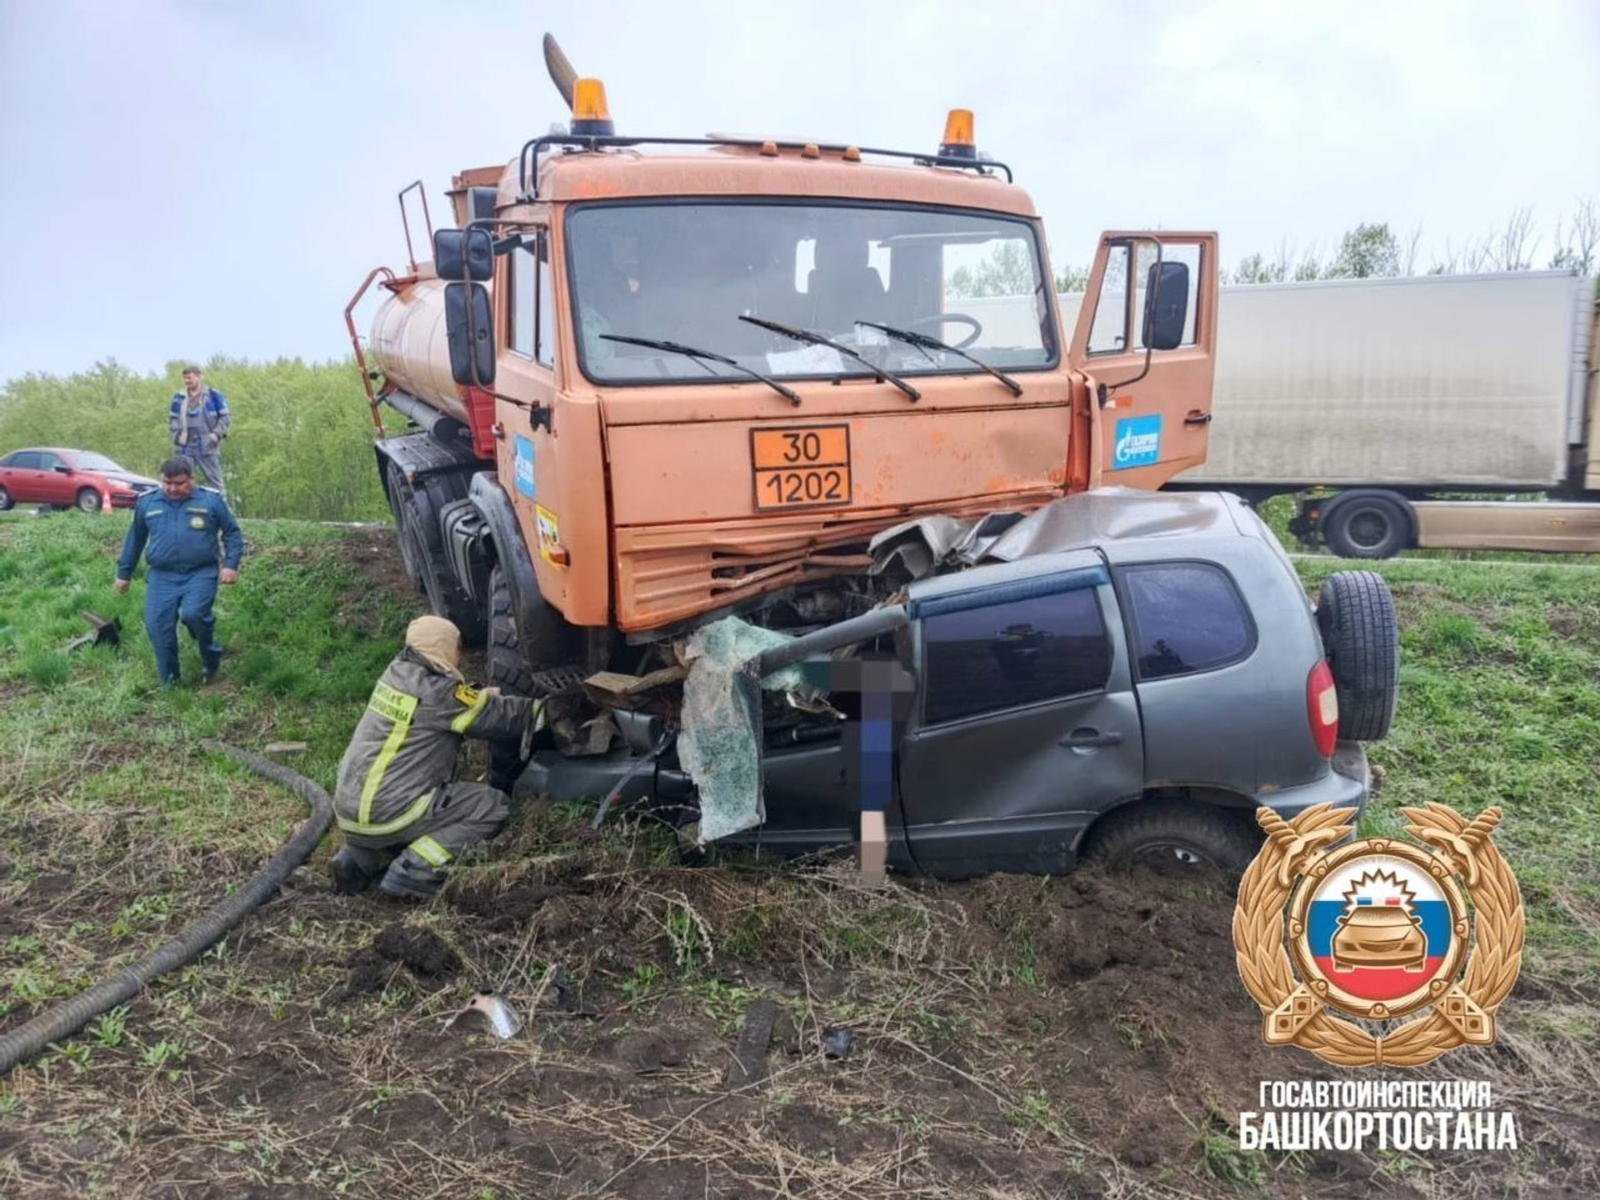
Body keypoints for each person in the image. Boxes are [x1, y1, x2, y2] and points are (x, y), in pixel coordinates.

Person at [328, 615, 546, 901]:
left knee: (384, 819)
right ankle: (415, 869)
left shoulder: (394, 675)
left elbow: (437, 707)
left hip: (348, 812)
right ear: (442, 646)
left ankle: (356, 860)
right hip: (393, 813)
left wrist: (473, 697)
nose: (460, 654)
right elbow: (501, 718)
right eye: (457, 647)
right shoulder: (440, 693)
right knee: (491, 806)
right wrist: (549, 709)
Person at [114, 456, 243, 686]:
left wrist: (231, 565)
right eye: (167, 482)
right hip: (162, 576)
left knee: (193, 614)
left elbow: (232, 533)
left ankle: (210, 654)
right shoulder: (148, 503)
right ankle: (171, 683)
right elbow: (135, 540)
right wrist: (124, 573)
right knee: (157, 624)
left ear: (191, 479)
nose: (172, 488)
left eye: (179, 483)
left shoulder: (210, 500)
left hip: (200, 573)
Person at [169, 366, 231, 497]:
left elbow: (225, 417)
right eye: (185, 378)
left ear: (198, 377)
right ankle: (182, 510)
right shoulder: (179, 397)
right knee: (181, 479)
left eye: (190, 377)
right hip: (185, 444)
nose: (187, 381)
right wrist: (175, 435)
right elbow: (173, 418)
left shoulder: (213, 395)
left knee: (214, 481)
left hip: (206, 443)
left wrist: (216, 434)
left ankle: (221, 511)